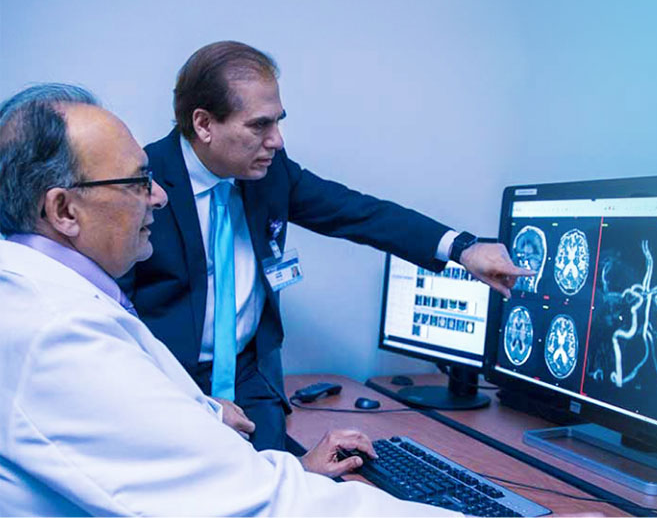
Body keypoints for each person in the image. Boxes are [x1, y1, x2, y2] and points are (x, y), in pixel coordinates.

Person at [0, 84, 456, 516]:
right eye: (138, 181)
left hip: (240, 397)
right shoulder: (60, 334)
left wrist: (461, 247)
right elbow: (256, 506)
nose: (157, 196)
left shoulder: (49, 293)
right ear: (63, 210)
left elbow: (359, 212)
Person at [122, 41, 533, 450]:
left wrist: (463, 248)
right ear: (204, 124)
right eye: (259, 125)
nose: (277, 141)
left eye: (278, 121)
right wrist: (196, 403)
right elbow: (111, 315)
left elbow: (357, 213)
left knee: (294, 490)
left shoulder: (269, 173)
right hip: (169, 384)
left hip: (251, 382)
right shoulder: (140, 181)